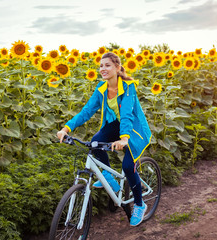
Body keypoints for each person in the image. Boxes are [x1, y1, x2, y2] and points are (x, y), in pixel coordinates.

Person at [56, 52, 152, 226]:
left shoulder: (128, 87)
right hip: (115, 125)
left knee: (128, 166)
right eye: (101, 66)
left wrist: (124, 139)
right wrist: (66, 128)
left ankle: (139, 204)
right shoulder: (101, 89)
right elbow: (86, 111)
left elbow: (127, 115)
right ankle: (108, 177)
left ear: (117, 67)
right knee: (95, 143)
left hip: (134, 130)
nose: (103, 69)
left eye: (107, 65)